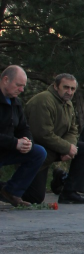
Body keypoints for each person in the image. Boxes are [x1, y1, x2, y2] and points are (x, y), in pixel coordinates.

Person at [24, 73, 84, 204]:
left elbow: (72, 129)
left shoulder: (67, 103)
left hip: (53, 148)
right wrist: (66, 148)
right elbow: (42, 134)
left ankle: (70, 192)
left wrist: (69, 148)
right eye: (66, 87)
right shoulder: (43, 100)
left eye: (72, 89)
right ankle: (7, 188)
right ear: (56, 86)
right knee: (34, 197)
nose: (69, 92)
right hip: (37, 153)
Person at [0, 65, 47, 207]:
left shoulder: (15, 102)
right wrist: (15, 143)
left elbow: (23, 128)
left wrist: (28, 142)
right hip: (7, 145)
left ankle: (11, 192)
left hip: (7, 148)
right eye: (18, 85)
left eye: (23, 86)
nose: (21, 90)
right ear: (5, 80)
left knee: (38, 152)